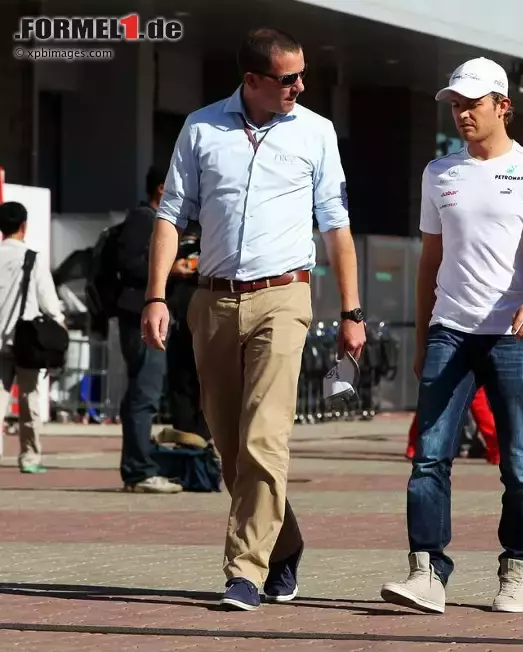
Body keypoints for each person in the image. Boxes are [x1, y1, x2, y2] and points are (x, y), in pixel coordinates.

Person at [143, 27, 366, 612]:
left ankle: (245, 570)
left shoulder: (316, 132)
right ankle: (284, 543)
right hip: (212, 301)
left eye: (302, 75)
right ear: (252, 80)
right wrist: (156, 296)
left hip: (285, 299)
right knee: (231, 449)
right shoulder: (201, 128)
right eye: (287, 77)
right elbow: (170, 216)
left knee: (266, 437)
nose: (299, 85)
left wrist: (352, 312)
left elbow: (336, 227)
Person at [380, 56, 523, 615]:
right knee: (430, 458)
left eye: (472, 104)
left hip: (513, 333)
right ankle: (427, 573)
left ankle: (517, 569)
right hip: (450, 331)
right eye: (455, 104)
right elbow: (428, 263)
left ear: (502, 106)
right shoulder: (440, 173)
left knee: (520, 464)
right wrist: (422, 339)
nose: (462, 113)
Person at [115, 166, 184, 494]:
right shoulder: (144, 219)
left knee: (142, 392)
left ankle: (137, 467)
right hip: (140, 314)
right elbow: (129, 263)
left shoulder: (152, 220)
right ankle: (140, 470)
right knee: (145, 391)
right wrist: (173, 269)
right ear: (161, 187)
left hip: (142, 313)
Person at [404, 345, 523, 464]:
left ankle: (508, 445)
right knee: (453, 387)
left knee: (446, 388)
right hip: (501, 325)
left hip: (462, 325)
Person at [0, 201, 65, 473]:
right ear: (23, 225)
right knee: (30, 400)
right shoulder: (32, 258)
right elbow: (49, 304)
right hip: (27, 342)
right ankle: (29, 457)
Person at [160, 220, 210, 448]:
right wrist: (172, 268)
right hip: (180, 325)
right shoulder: (173, 241)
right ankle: (186, 443)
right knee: (181, 386)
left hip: (209, 323)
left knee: (211, 386)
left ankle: (202, 440)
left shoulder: (215, 238)